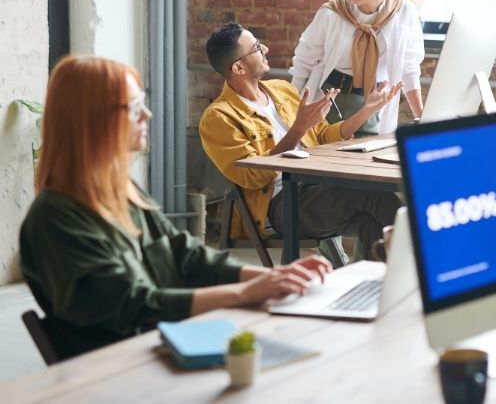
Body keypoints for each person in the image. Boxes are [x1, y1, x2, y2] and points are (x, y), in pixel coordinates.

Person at [19, 56, 333, 359]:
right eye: (133, 108)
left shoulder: (124, 192)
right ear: (92, 119)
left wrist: (274, 277)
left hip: (167, 344)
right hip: (124, 368)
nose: (147, 115)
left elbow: (186, 257)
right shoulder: (56, 219)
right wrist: (246, 292)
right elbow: (134, 305)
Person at [199, 22, 402, 259]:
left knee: (371, 219)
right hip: (281, 203)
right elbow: (252, 176)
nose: (264, 48)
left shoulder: (282, 90)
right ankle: (433, 257)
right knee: (373, 193)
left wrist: (365, 112)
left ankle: (378, 289)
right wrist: (297, 129)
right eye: (255, 47)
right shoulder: (218, 118)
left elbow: (324, 136)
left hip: (318, 186)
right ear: (239, 67)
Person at [290, 0, 425, 136]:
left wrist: (423, 119)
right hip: (329, 99)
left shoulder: (404, 13)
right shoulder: (333, 12)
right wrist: (290, 112)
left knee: (368, 160)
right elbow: (304, 62)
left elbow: (409, 69)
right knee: (326, 159)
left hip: (374, 102)